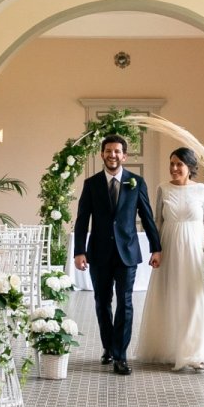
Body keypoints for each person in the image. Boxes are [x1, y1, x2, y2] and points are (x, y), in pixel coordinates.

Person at [74, 134, 162, 376]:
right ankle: (108, 347)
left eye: (117, 152)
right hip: (99, 254)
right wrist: (79, 251)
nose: (112, 155)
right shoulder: (91, 184)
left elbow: (147, 216)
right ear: (102, 154)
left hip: (127, 254)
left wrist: (156, 247)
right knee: (102, 303)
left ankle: (120, 355)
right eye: (108, 151)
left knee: (125, 303)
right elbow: (82, 220)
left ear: (124, 156)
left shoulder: (136, 182)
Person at [137, 147, 204, 371]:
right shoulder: (162, 188)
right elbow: (157, 222)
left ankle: (196, 351)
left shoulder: (202, 190)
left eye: (179, 164)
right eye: (171, 164)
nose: (174, 168)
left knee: (195, 298)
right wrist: (156, 250)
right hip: (170, 247)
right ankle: (172, 348)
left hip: (196, 250)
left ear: (190, 168)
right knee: (171, 296)